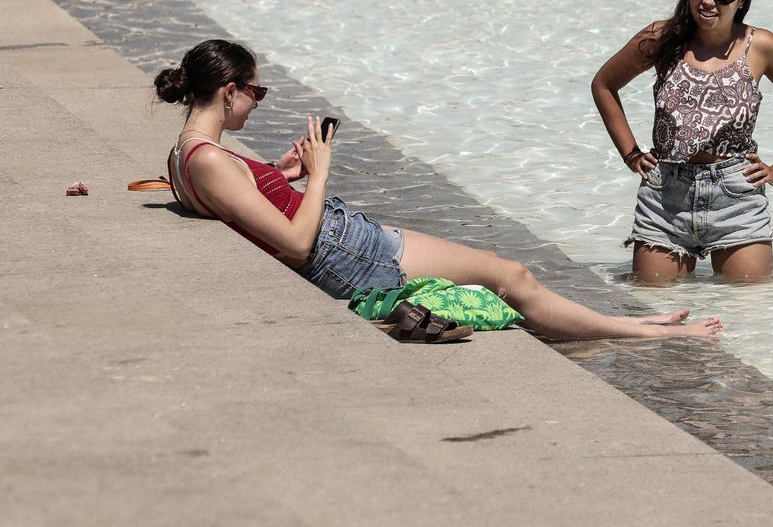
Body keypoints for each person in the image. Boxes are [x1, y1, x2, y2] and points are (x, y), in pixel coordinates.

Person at [156, 39, 723, 340]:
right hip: (345, 253)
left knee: (502, 279)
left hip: (346, 242)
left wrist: (279, 175)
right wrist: (322, 170)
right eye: (257, 91)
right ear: (229, 91)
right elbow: (297, 244)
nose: (259, 102)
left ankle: (627, 324)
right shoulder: (209, 161)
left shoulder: (184, 154)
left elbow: (244, 205)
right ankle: (638, 331)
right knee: (511, 277)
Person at [592, 0, 773, 285]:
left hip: (736, 197)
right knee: (653, 308)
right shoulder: (662, 37)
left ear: (741, 0)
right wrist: (630, 153)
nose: (708, 1)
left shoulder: (760, 46)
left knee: (748, 314)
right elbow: (604, 84)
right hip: (665, 196)